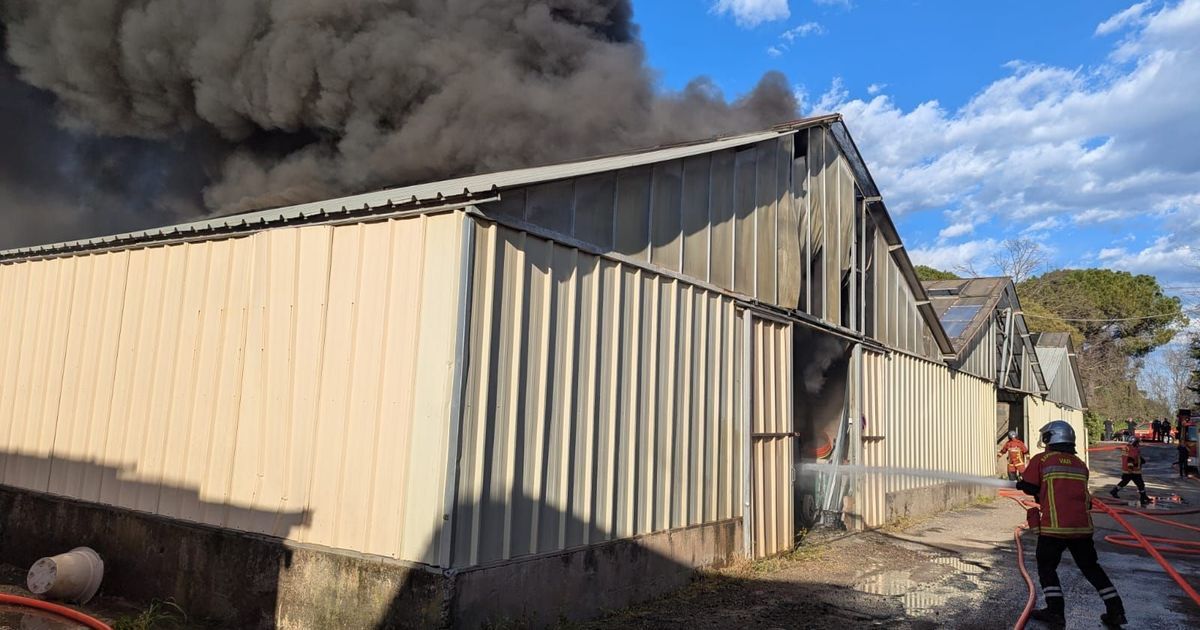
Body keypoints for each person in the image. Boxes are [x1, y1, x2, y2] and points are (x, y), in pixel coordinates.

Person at [1018, 420, 1127, 627]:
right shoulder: (1080, 464)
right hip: (1082, 527)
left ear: (1051, 438)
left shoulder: (1042, 459)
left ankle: (1055, 612)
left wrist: (1023, 484)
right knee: (1091, 568)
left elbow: (1030, 487)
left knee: (1047, 568)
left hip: (1054, 527)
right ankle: (1116, 610)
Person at [1110, 437, 1149, 506]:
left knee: (1124, 482)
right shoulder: (1133, 449)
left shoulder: (1127, 448)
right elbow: (1130, 459)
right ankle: (1143, 498)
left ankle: (1114, 491)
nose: (1138, 444)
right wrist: (1131, 468)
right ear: (1134, 443)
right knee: (1140, 484)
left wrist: (1141, 460)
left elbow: (1133, 457)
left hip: (1127, 470)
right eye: (1137, 442)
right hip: (1133, 471)